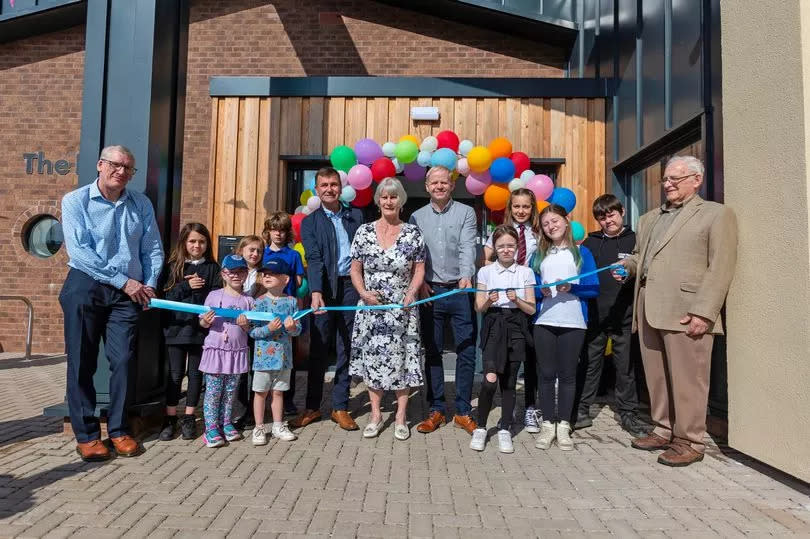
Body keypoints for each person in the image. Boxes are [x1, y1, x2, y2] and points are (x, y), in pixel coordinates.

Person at [613, 155, 737, 467]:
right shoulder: (650, 218)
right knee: (656, 378)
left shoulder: (716, 215)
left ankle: (690, 440)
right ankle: (663, 428)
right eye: (665, 179)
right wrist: (627, 267)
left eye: (675, 179)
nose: (667, 184)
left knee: (689, 380)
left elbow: (720, 267)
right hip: (649, 308)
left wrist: (704, 312)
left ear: (697, 180)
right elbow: (640, 256)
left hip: (687, 312)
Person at [59, 145, 163, 462]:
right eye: (116, 165)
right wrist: (124, 281)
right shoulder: (75, 201)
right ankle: (88, 436)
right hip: (86, 285)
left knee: (124, 360)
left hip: (128, 293)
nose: (122, 172)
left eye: (128, 168)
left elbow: (153, 249)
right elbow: (80, 253)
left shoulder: (140, 204)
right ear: (100, 165)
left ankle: (118, 430)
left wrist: (150, 284)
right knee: (82, 361)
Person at [349, 177, 426, 441]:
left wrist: (411, 293)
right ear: (378, 200)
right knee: (373, 361)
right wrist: (362, 293)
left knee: (402, 360)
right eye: (384, 196)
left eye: (393, 197)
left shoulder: (413, 233)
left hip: (402, 308)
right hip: (371, 307)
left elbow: (419, 270)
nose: (389, 201)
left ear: (401, 200)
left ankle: (401, 417)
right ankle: (375, 415)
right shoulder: (364, 232)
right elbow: (355, 269)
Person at [291, 167, 364, 431]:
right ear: (316, 189)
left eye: (333, 184)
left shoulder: (355, 215)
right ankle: (312, 408)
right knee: (319, 348)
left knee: (346, 346)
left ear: (340, 187)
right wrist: (317, 292)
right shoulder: (310, 222)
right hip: (326, 288)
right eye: (324, 185)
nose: (329, 189)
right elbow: (314, 258)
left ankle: (340, 406)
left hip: (351, 287)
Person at [409, 165, 478, 434]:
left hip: (459, 289)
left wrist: (466, 276)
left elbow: (466, 247)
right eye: (434, 182)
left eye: (444, 182)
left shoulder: (466, 213)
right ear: (427, 187)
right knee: (433, 351)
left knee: (466, 350)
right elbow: (415, 255)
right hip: (430, 292)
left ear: (452, 185)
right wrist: (420, 281)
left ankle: (462, 410)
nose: (439, 186)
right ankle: (436, 408)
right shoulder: (415, 217)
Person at [573, 194, 647, 438]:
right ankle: (582, 410)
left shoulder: (635, 240)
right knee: (589, 365)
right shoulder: (590, 244)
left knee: (624, 368)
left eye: (611, 214)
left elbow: (643, 271)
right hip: (595, 316)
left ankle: (628, 413)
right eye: (602, 217)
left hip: (624, 316)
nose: (607, 221)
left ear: (622, 211)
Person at [530, 204, 599, 451]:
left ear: (566, 221)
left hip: (573, 322)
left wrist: (573, 288)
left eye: (555, 221)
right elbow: (531, 290)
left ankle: (564, 426)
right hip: (545, 321)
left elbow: (594, 287)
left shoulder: (582, 253)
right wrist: (542, 292)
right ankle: (548, 424)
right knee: (546, 375)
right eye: (546, 224)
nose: (551, 227)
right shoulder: (538, 255)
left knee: (568, 376)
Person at [470, 225, 536, 453]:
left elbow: (531, 308)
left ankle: (505, 428)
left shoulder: (525, 272)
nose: (506, 250)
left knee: (509, 382)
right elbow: (479, 307)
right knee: (489, 381)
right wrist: (489, 300)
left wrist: (516, 300)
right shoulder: (485, 272)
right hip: (493, 325)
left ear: (517, 247)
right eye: (501, 246)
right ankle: (480, 427)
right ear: (494, 249)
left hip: (517, 325)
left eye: (510, 246)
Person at [483, 187, 542, 434]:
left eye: (526, 206)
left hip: (530, 298)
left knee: (532, 356)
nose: (521, 211)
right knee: (507, 358)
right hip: (506, 302)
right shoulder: (500, 234)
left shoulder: (538, 234)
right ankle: (509, 407)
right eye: (516, 206)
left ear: (532, 209)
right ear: (510, 208)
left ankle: (530, 407)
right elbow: (486, 259)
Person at [158, 223, 222, 441]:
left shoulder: (213, 268)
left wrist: (206, 317)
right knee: (175, 375)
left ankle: (188, 417)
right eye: (192, 241)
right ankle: (170, 418)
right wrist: (186, 286)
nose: (197, 245)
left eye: (202, 241)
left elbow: (215, 297)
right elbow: (165, 298)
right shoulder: (173, 266)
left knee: (195, 375)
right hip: (175, 329)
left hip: (200, 331)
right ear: (184, 243)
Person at [198, 254, 254, 448]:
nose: (236, 275)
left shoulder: (249, 300)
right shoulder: (214, 296)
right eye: (231, 271)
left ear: (246, 274)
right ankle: (211, 427)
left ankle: (226, 421)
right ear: (224, 273)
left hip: (236, 352)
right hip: (216, 350)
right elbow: (202, 322)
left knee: (230, 391)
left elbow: (251, 328)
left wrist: (246, 325)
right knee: (213, 391)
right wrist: (207, 320)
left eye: (240, 271)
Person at [248, 257, 302, 445]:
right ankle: (259, 427)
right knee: (260, 393)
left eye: (273, 274)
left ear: (285, 279)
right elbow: (253, 332)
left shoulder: (292, 302)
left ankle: (278, 425)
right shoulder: (258, 302)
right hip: (263, 360)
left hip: (284, 359)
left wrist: (291, 327)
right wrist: (268, 329)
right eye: (265, 274)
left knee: (278, 392)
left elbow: (298, 330)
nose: (267, 276)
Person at [261, 212, 306, 416]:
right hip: (265, 309)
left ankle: (286, 400)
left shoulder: (293, 255)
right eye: (274, 230)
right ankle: (261, 398)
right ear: (268, 231)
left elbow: (297, 283)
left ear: (287, 233)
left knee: (287, 356)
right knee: (262, 353)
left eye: (282, 230)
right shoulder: (262, 253)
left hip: (286, 309)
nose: (278, 234)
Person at [233, 235, 264, 430]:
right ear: (241, 251)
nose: (255, 254)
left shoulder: (263, 274)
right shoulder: (234, 272)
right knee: (240, 371)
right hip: (237, 328)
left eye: (259, 251)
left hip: (256, 327)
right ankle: (239, 410)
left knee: (254, 371)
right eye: (251, 250)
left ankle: (253, 412)